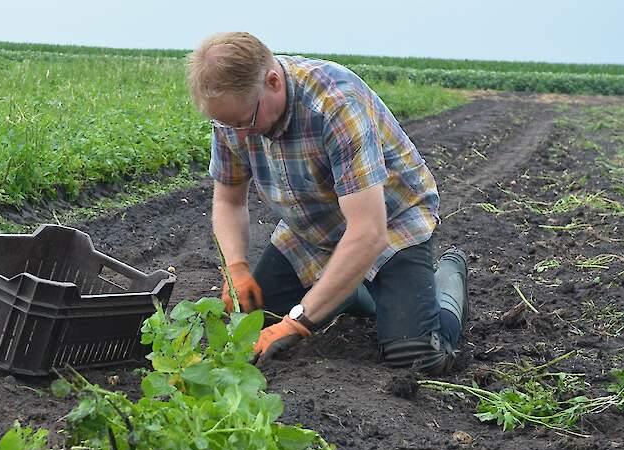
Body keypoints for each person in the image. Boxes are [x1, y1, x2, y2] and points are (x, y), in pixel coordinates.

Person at [185, 32, 468, 374]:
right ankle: (348, 289)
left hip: (391, 220)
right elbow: (229, 201)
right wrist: (235, 268)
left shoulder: (335, 103)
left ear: (273, 82)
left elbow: (367, 232)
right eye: (227, 124)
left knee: (415, 356)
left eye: (244, 121)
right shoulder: (235, 114)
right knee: (255, 323)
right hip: (313, 226)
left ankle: (449, 274)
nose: (239, 134)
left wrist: (300, 321)